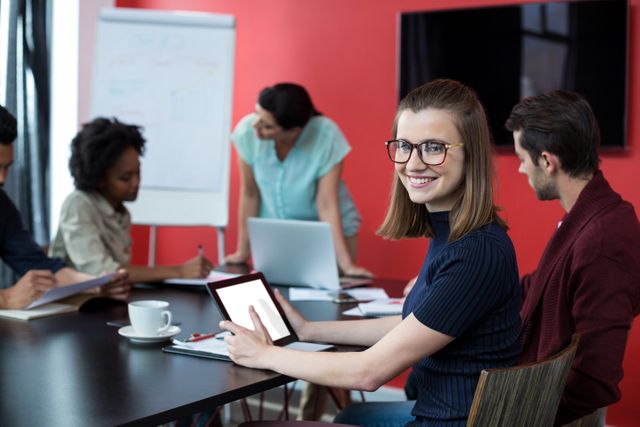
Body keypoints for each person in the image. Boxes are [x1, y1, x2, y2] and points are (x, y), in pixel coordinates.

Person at [219, 79, 522, 426]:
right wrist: (308, 330)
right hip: (442, 410)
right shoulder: (453, 232)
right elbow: (415, 323)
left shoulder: (475, 251)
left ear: (471, 154)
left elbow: (368, 372)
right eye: (405, 146)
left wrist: (265, 354)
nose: (413, 163)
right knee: (352, 414)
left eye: (434, 147)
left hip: (449, 420)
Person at [505, 91, 640, 424]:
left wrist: (522, 415)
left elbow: (594, 381)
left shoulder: (602, 240)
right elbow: (536, 285)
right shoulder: (587, 215)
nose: (521, 169)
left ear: (548, 162)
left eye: (523, 157)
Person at [224, 83, 372, 278]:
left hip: (327, 232)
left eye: (267, 126)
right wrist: (242, 251)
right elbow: (250, 194)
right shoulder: (246, 133)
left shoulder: (325, 136)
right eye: (256, 114)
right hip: (277, 231)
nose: (255, 126)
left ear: (294, 131)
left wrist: (347, 264)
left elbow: (326, 204)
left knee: (330, 288)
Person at [49, 117, 213, 282]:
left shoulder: (122, 211)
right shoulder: (78, 204)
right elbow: (103, 273)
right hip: (73, 304)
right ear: (99, 179)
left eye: (138, 173)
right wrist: (179, 271)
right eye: (126, 177)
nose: (136, 183)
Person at [0, 105, 129, 309]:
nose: (2, 178)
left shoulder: (2, 207)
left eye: (6, 167)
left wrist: (94, 284)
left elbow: (44, 268)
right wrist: (5, 298)